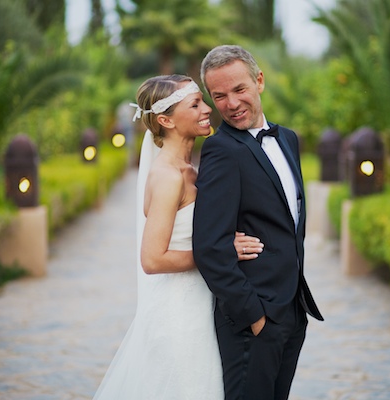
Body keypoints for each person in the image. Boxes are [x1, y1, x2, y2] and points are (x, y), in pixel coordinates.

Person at [93, 75, 264, 399]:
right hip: (178, 314)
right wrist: (220, 252)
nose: (207, 109)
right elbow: (152, 259)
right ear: (166, 120)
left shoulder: (190, 169)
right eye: (195, 104)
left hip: (200, 303)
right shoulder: (169, 177)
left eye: (203, 100)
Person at [192, 45, 324, 400]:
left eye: (239, 89)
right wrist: (255, 317)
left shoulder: (288, 139)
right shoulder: (221, 150)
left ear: (259, 81)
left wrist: (292, 310)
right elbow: (209, 247)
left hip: (293, 312)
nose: (231, 104)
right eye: (219, 96)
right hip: (254, 321)